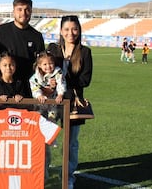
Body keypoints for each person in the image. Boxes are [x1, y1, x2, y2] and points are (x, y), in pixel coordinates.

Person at [47, 15, 93, 189]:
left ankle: (68, 175)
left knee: (71, 142)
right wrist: (48, 80)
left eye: (74, 29)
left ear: (79, 30)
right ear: (60, 31)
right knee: (47, 137)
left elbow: (85, 79)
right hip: (52, 102)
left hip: (73, 103)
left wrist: (61, 80)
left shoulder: (85, 52)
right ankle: (43, 170)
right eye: (66, 29)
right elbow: (42, 68)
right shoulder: (52, 48)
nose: (70, 33)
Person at [29, 50, 66, 179]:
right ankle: (39, 170)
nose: (48, 66)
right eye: (45, 64)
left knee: (51, 119)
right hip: (40, 104)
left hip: (53, 103)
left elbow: (61, 83)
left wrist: (60, 94)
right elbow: (34, 87)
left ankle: (52, 138)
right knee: (39, 123)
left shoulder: (57, 72)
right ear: (39, 65)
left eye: (50, 63)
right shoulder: (35, 76)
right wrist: (39, 95)